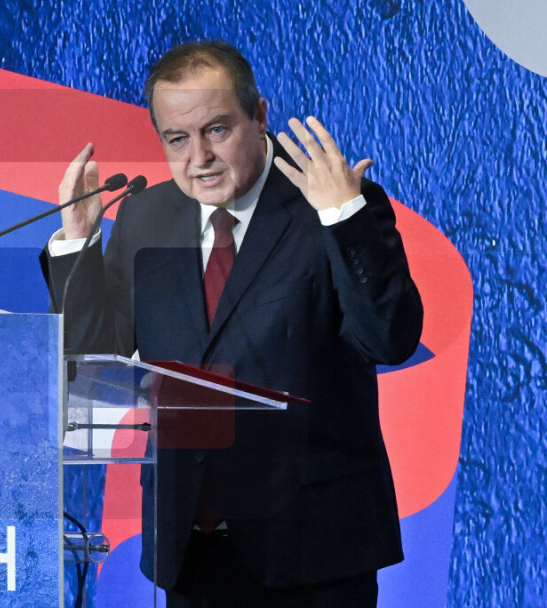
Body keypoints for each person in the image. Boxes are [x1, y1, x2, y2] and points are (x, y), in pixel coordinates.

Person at [41, 40, 423, 607]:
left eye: (216, 130)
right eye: (177, 139)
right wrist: (77, 244)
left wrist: (345, 217)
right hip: (191, 550)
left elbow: (389, 339)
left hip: (315, 554)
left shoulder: (328, 205)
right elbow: (97, 367)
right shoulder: (145, 217)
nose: (199, 157)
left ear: (259, 116)